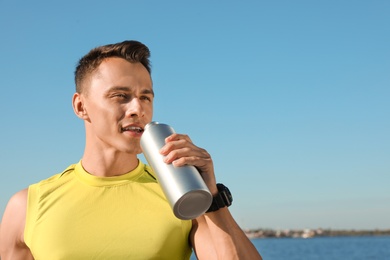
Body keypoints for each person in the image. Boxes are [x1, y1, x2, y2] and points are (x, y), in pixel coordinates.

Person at [0, 40, 262, 259]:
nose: (139, 109)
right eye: (120, 96)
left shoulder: (181, 197)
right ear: (81, 107)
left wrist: (213, 197)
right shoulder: (27, 206)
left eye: (146, 97)